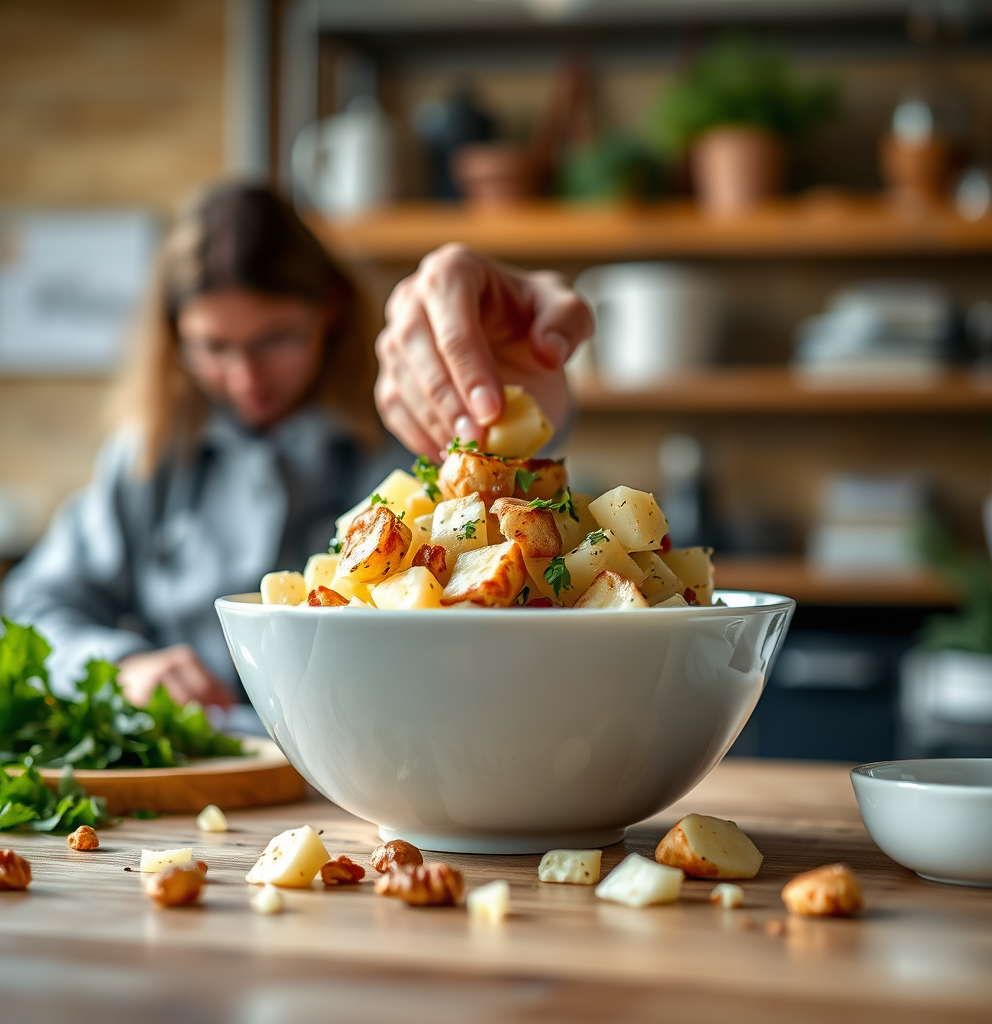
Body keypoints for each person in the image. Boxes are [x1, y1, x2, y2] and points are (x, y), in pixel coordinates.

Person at [1, 183, 592, 709]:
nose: (246, 379)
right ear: (174, 334)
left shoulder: (407, 422)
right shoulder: (149, 453)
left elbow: (511, 473)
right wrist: (122, 666)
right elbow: (33, 606)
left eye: (276, 338)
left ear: (329, 310)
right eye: (213, 347)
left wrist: (519, 381)